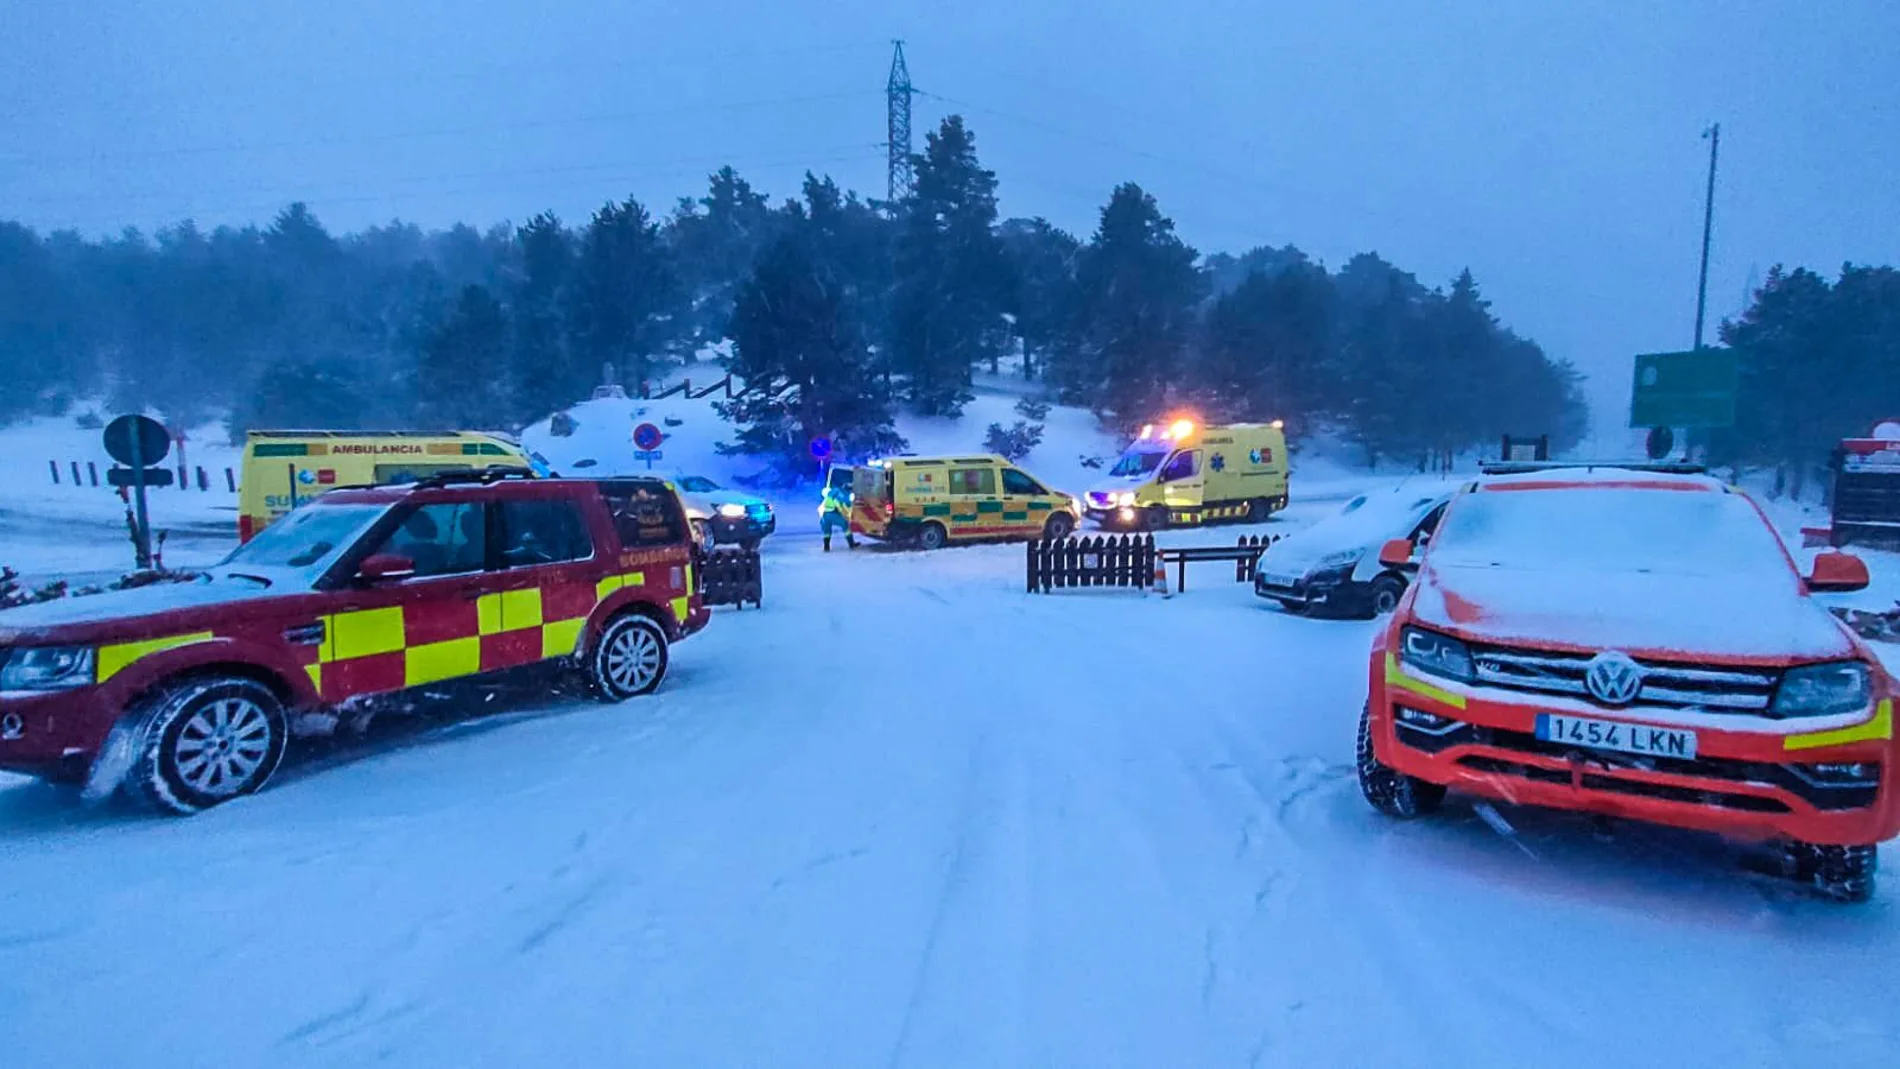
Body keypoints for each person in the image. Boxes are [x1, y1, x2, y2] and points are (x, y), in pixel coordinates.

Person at [819, 482, 856, 552]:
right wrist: (848, 516)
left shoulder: (834, 491)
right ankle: (851, 544)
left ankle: (826, 547)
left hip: (825, 515)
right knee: (845, 526)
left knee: (827, 531)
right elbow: (841, 507)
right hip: (833, 514)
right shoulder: (843, 495)